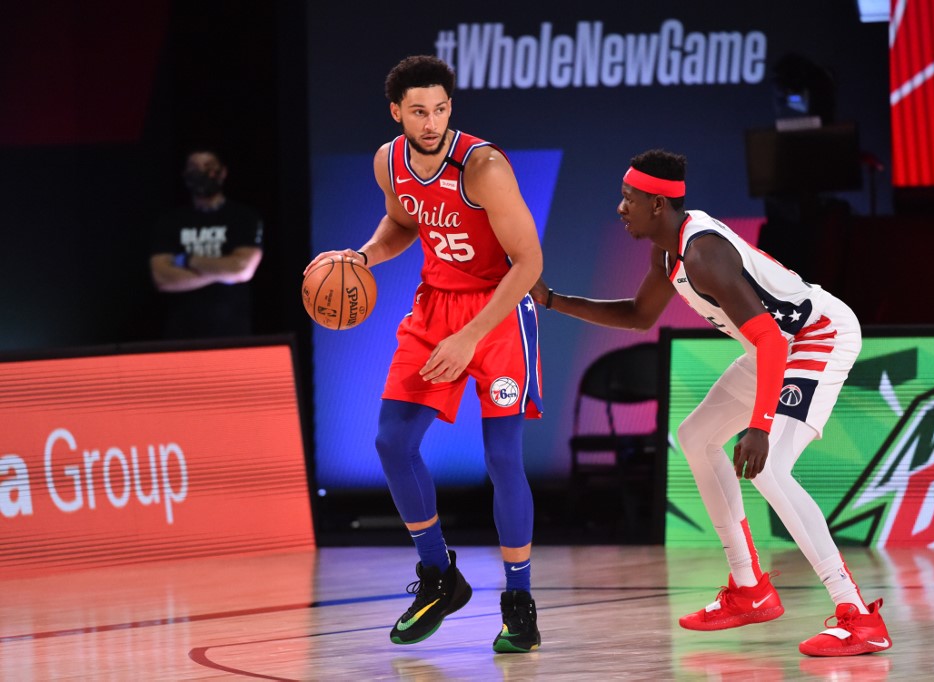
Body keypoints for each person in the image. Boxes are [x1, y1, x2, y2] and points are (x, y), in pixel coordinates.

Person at [531, 149, 891, 657]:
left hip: (816, 338)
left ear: (658, 204)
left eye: (629, 199)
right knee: (695, 437)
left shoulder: (703, 254)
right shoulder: (668, 253)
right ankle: (749, 588)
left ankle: (857, 614)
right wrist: (551, 299)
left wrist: (760, 426)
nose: (620, 208)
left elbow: (772, 341)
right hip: (775, 347)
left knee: (771, 469)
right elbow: (638, 316)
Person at [304, 55, 544, 653]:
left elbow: (529, 263)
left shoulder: (483, 167)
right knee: (392, 442)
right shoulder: (389, 162)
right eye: (418, 111)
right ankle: (440, 575)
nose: (431, 122)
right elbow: (402, 224)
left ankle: (519, 601)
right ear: (397, 112)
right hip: (435, 307)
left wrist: (471, 338)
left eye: (439, 109)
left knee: (502, 459)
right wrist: (362, 255)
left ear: (450, 108)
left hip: (499, 314)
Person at [149, 148, 264, 339]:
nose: (201, 172)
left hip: (233, 333)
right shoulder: (170, 221)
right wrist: (223, 273)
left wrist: (186, 260)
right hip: (181, 335)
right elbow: (162, 278)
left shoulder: (243, 217)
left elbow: (241, 269)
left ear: (222, 172)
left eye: (208, 166)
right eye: (194, 167)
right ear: (185, 175)